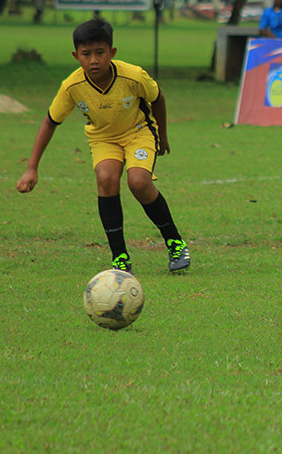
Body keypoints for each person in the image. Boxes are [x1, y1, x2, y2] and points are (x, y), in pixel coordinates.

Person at [17, 17, 190, 274]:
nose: (94, 60)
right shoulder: (72, 86)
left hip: (138, 132)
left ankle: (175, 243)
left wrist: (162, 136)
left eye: (100, 52)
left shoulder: (133, 75)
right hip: (103, 138)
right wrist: (32, 167)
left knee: (139, 182)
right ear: (76, 56)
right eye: (86, 54)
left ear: (112, 52)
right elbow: (50, 121)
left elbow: (158, 98)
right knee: (106, 177)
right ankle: (120, 257)